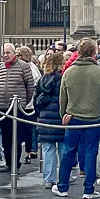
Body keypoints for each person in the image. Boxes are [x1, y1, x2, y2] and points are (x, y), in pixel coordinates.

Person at [55, 39, 100, 199]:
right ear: (94, 52)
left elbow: (62, 98)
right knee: (90, 153)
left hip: (73, 117)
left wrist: (63, 115)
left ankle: (62, 187)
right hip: (94, 118)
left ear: (78, 52)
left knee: (68, 152)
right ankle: (88, 189)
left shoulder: (69, 72)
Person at [33, 51, 66, 191]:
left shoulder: (42, 80)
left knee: (48, 149)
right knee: (63, 149)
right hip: (59, 116)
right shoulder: (63, 79)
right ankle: (64, 176)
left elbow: (35, 99)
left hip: (45, 118)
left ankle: (48, 178)